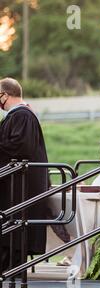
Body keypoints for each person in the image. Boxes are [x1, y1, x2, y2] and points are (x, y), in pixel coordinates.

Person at [0, 77, 50, 271]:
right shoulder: (17, 116)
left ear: (5, 94)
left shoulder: (22, 116)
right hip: (15, 183)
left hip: (22, 184)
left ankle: (11, 267)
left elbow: (19, 147)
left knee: (16, 228)